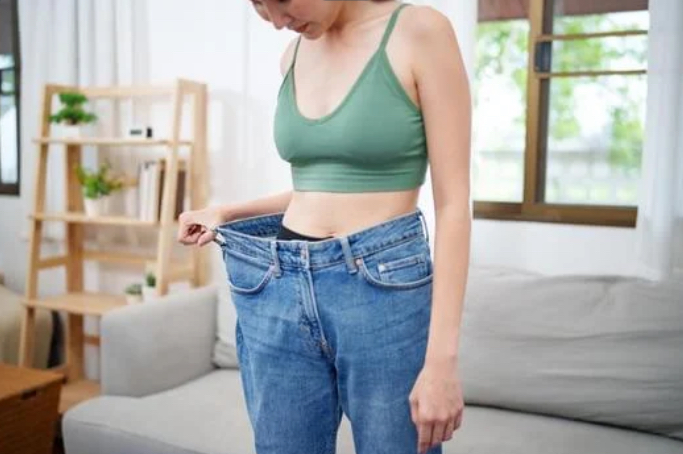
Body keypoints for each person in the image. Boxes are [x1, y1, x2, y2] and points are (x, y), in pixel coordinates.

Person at [177, 1, 471, 453]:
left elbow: (453, 206)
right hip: (276, 282)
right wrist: (227, 212)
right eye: (259, 5)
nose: (277, 21)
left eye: (281, 0)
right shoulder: (292, 55)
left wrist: (441, 364)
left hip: (380, 288)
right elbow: (318, 188)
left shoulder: (419, 31)